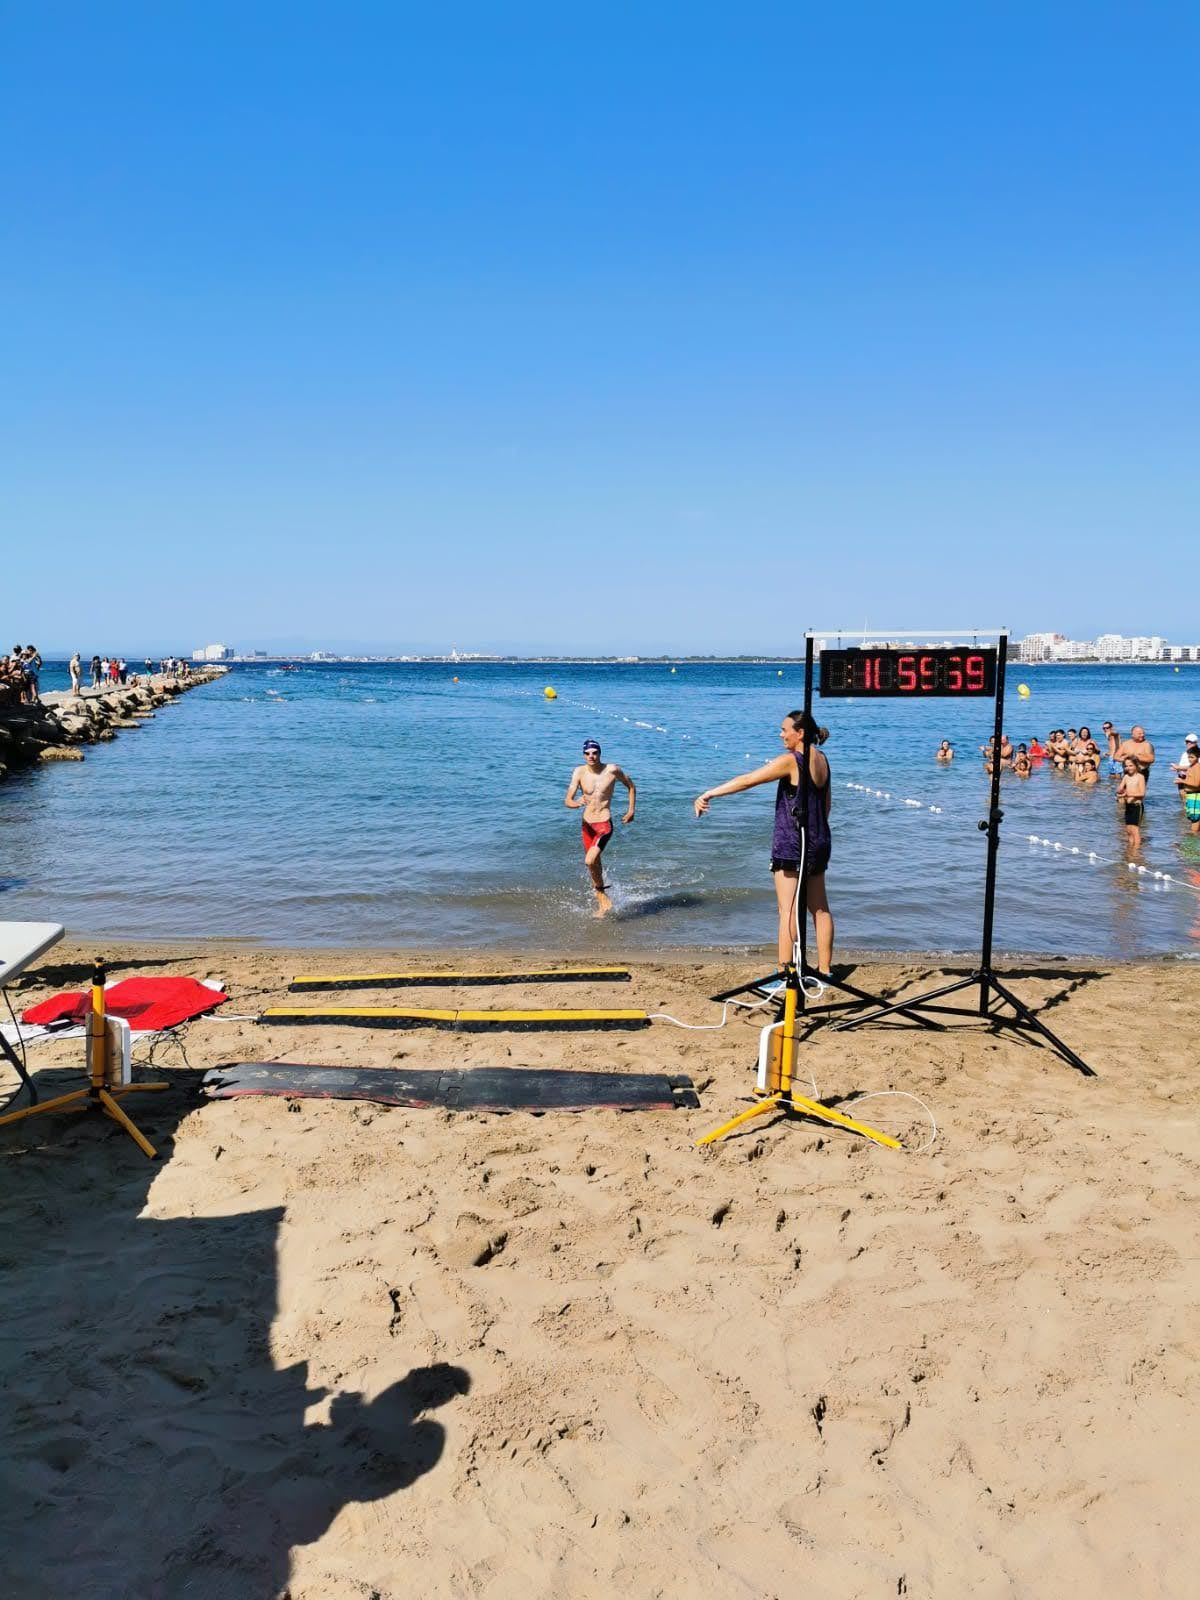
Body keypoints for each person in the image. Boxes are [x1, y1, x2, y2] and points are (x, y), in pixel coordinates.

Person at [694, 710, 834, 975]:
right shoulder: (823, 759)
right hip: (818, 840)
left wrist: (709, 793)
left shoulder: (792, 760)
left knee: (788, 910)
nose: (781, 734)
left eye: (784, 730)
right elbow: (826, 804)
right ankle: (825, 971)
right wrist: (815, 834)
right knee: (819, 909)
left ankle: (785, 972)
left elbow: (748, 780)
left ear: (800, 733)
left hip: (793, 843)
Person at [564, 739, 635, 916]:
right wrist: (576, 802)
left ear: (600, 753)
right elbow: (568, 800)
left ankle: (602, 895)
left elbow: (631, 786)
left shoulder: (612, 770)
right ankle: (602, 902)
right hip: (587, 824)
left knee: (589, 860)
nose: (591, 756)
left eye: (594, 753)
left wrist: (631, 810)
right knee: (594, 863)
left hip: (604, 823)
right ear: (583, 755)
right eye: (587, 753)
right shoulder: (579, 772)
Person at [1117, 758, 1147, 848]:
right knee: (1128, 829)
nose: (1128, 768)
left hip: (1137, 805)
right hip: (1128, 805)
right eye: (1126, 766)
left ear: (1136, 766)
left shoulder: (1140, 777)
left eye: (1131, 765)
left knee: (1135, 829)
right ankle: (1130, 848)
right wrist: (1120, 791)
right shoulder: (1126, 777)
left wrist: (1129, 794)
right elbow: (1120, 789)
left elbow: (1142, 793)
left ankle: (1136, 850)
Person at [1176, 746, 1200, 834]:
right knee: (1192, 817)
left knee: (1195, 818)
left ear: (1197, 757)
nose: (1190, 759)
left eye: (1192, 757)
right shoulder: (1191, 767)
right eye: (1189, 757)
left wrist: (1182, 780)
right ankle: (1194, 837)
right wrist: (1177, 768)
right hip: (1191, 795)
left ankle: (1193, 837)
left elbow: (1197, 784)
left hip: (1195, 795)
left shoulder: (1197, 768)